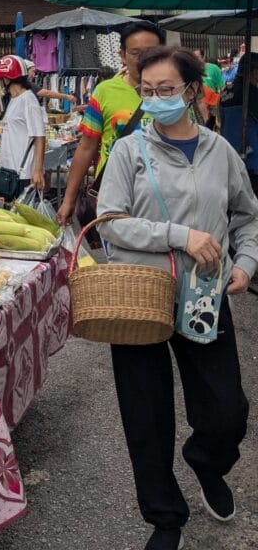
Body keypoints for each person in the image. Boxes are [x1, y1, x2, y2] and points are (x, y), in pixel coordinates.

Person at [96, 46, 258, 550]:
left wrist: (246, 265)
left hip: (205, 296)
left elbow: (247, 217)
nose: (156, 99)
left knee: (227, 411)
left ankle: (207, 461)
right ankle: (165, 518)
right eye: (147, 91)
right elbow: (110, 223)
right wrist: (178, 235)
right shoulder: (128, 152)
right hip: (140, 296)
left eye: (166, 90)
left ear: (190, 91)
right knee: (146, 416)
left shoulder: (220, 151)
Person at [56, 20, 164, 226]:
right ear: (122, 55)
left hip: (164, 197)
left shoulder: (175, 92)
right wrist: (69, 199)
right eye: (135, 53)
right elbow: (86, 147)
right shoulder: (105, 92)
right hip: (114, 197)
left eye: (152, 52)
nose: (144, 59)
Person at [0, 55, 46, 193]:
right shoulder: (13, 99)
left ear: (7, 79)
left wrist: (38, 170)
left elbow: (40, 137)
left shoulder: (28, 100)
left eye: (1, 80)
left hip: (23, 172)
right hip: (9, 169)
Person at [220, 51, 258, 196]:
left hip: (230, 157)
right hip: (252, 162)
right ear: (254, 72)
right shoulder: (251, 93)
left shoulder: (225, 92)